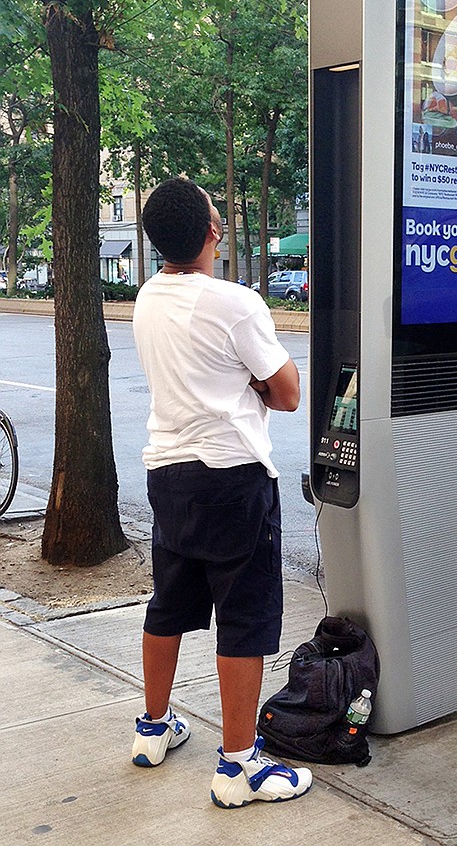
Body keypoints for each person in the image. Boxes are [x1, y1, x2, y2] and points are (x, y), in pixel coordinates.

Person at [130, 177, 312, 808]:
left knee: (170, 604)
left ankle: (153, 729)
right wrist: (253, 386)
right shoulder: (237, 303)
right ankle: (239, 768)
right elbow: (287, 393)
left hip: (168, 475)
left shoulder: (147, 298)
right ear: (213, 232)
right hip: (233, 479)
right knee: (244, 616)